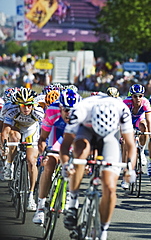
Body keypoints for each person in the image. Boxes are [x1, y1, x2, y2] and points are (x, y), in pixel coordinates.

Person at [62, 93, 136, 240]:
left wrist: (130, 169)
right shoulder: (81, 110)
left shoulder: (122, 110)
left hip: (110, 135)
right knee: (80, 151)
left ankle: (103, 230)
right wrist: (66, 164)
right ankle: (73, 202)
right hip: (86, 131)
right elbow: (65, 145)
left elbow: (130, 145)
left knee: (109, 187)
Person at [32, 89, 81, 224]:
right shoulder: (52, 111)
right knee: (50, 164)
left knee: (77, 164)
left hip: (75, 135)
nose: (69, 113)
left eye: (72, 110)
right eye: (66, 110)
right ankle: (40, 208)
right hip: (57, 134)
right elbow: (43, 138)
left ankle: (71, 200)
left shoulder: (83, 114)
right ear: (60, 107)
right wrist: (43, 155)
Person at [1, 87, 44, 211]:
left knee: (31, 161)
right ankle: (9, 165)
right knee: (14, 137)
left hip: (31, 129)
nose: (26, 108)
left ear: (33, 104)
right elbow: (5, 130)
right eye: (23, 105)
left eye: (29, 105)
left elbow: (45, 131)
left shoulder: (38, 112)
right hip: (17, 128)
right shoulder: (11, 109)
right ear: (18, 104)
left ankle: (30, 196)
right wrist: (4, 146)